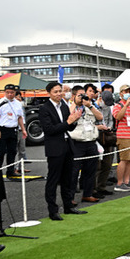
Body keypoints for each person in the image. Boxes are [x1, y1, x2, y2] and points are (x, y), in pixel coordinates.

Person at [39, 81, 87, 220]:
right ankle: (53, 210)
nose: (59, 94)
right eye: (56, 91)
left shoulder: (64, 106)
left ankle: (68, 206)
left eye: (60, 91)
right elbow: (49, 130)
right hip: (55, 148)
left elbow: (70, 127)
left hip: (68, 145)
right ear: (49, 93)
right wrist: (68, 122)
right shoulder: (45, 108)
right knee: (53, 180)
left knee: (68, 178)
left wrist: (74, 119)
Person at [68, 86, 104, 203]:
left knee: (90, 170)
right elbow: (68, 117)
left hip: (91, 141)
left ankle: (87, 194)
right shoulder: (70, 106)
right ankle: (70, 197)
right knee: (74, 172)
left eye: (84, 95)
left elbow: (100, 117)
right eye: (80, 95)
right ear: (74, 96)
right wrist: (75, 102)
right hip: (77, 143)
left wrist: (89, 105)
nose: (83, 97)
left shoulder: (89, 106)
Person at [0, 84, 27, 179]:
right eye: (7, 92)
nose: (10, 94)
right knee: (1, 152)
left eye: (12, 92)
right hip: (2, 129)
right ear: (4, 92)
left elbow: (19, 117)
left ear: (15, 93)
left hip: (13, 129)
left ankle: (10, 171)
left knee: (12, 151)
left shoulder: (18, 103)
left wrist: (23, 129)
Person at [94, 90, 116, 198]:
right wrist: (99, 127)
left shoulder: (108, 108)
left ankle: (101, 187)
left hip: (107, 136)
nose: (107, 105)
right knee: (97, 165)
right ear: (100, 99)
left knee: (107, 164)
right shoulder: (92, 107)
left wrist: (109, 127)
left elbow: (110, 120)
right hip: (95, 137)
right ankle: (93, 189)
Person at [13, 91, 30, 175]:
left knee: (22, 150)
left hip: (22, 129)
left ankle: (21, 167)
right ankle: (14, 168)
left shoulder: (20, 105)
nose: (19, 98)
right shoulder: (12, 106)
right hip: (16, 129)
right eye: (17, 96)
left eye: (20, 96)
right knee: (15, 150)